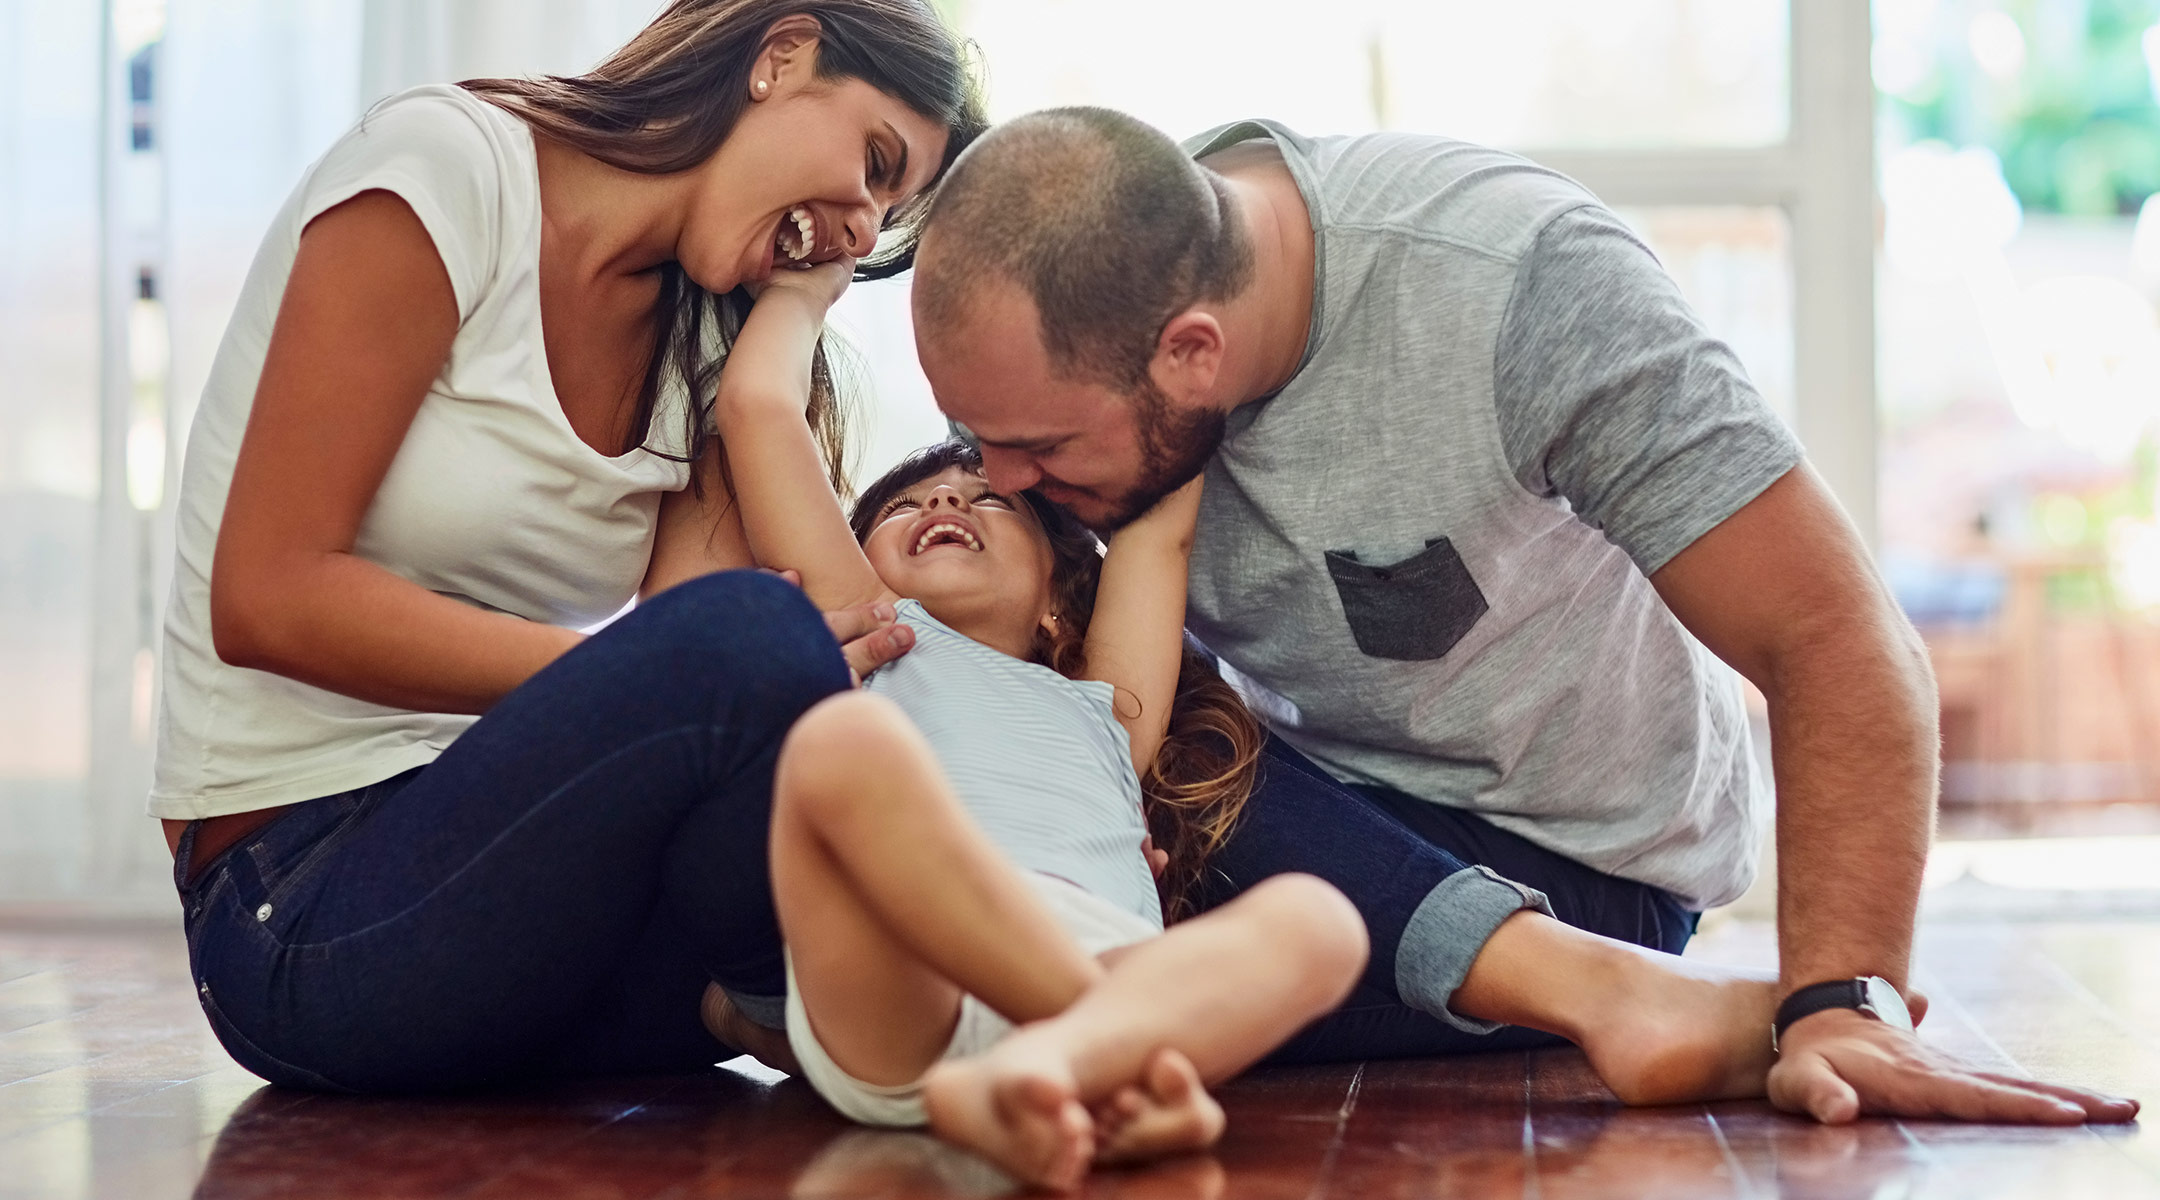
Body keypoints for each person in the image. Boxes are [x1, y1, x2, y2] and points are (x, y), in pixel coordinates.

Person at [903, 107, 2142, 1126]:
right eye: (975, 445)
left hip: (1574, 872)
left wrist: (1843, 996)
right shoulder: (1095, 295)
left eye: (1035, 450)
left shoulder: (1519, 289)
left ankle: (1628, 995)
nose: (1002, 482)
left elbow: (1834, 636)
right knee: (1033, 878)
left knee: (1051, 941)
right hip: (1296, 827)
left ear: (1190, 352)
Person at [150, 0, 986, 1092]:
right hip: (301, 906)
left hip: (524, 916)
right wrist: (617, 683)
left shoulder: (700, 338)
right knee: (753, 647)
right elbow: (263, 599)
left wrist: (770, 367)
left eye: (888, 212)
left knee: (803, 722)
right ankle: (859, 1022)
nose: (861, 228)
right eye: (875, 163)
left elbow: (810, 683)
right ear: (782, 56)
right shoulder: (449, 169)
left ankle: (841, 1011)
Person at [711, 248, 1367, 1187]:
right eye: (905, 506)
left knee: (1321, 922)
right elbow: (759, 412)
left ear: (1062, 598)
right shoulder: (885, 635)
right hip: (914, 975)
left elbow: (1160, 518)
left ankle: (1049, 1075)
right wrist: (810, 286)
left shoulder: (1108, 707)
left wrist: (1175, 307)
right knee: (839, 743)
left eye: (988, 500)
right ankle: (1093, 1059)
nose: (945, 498)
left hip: (1108, 958)